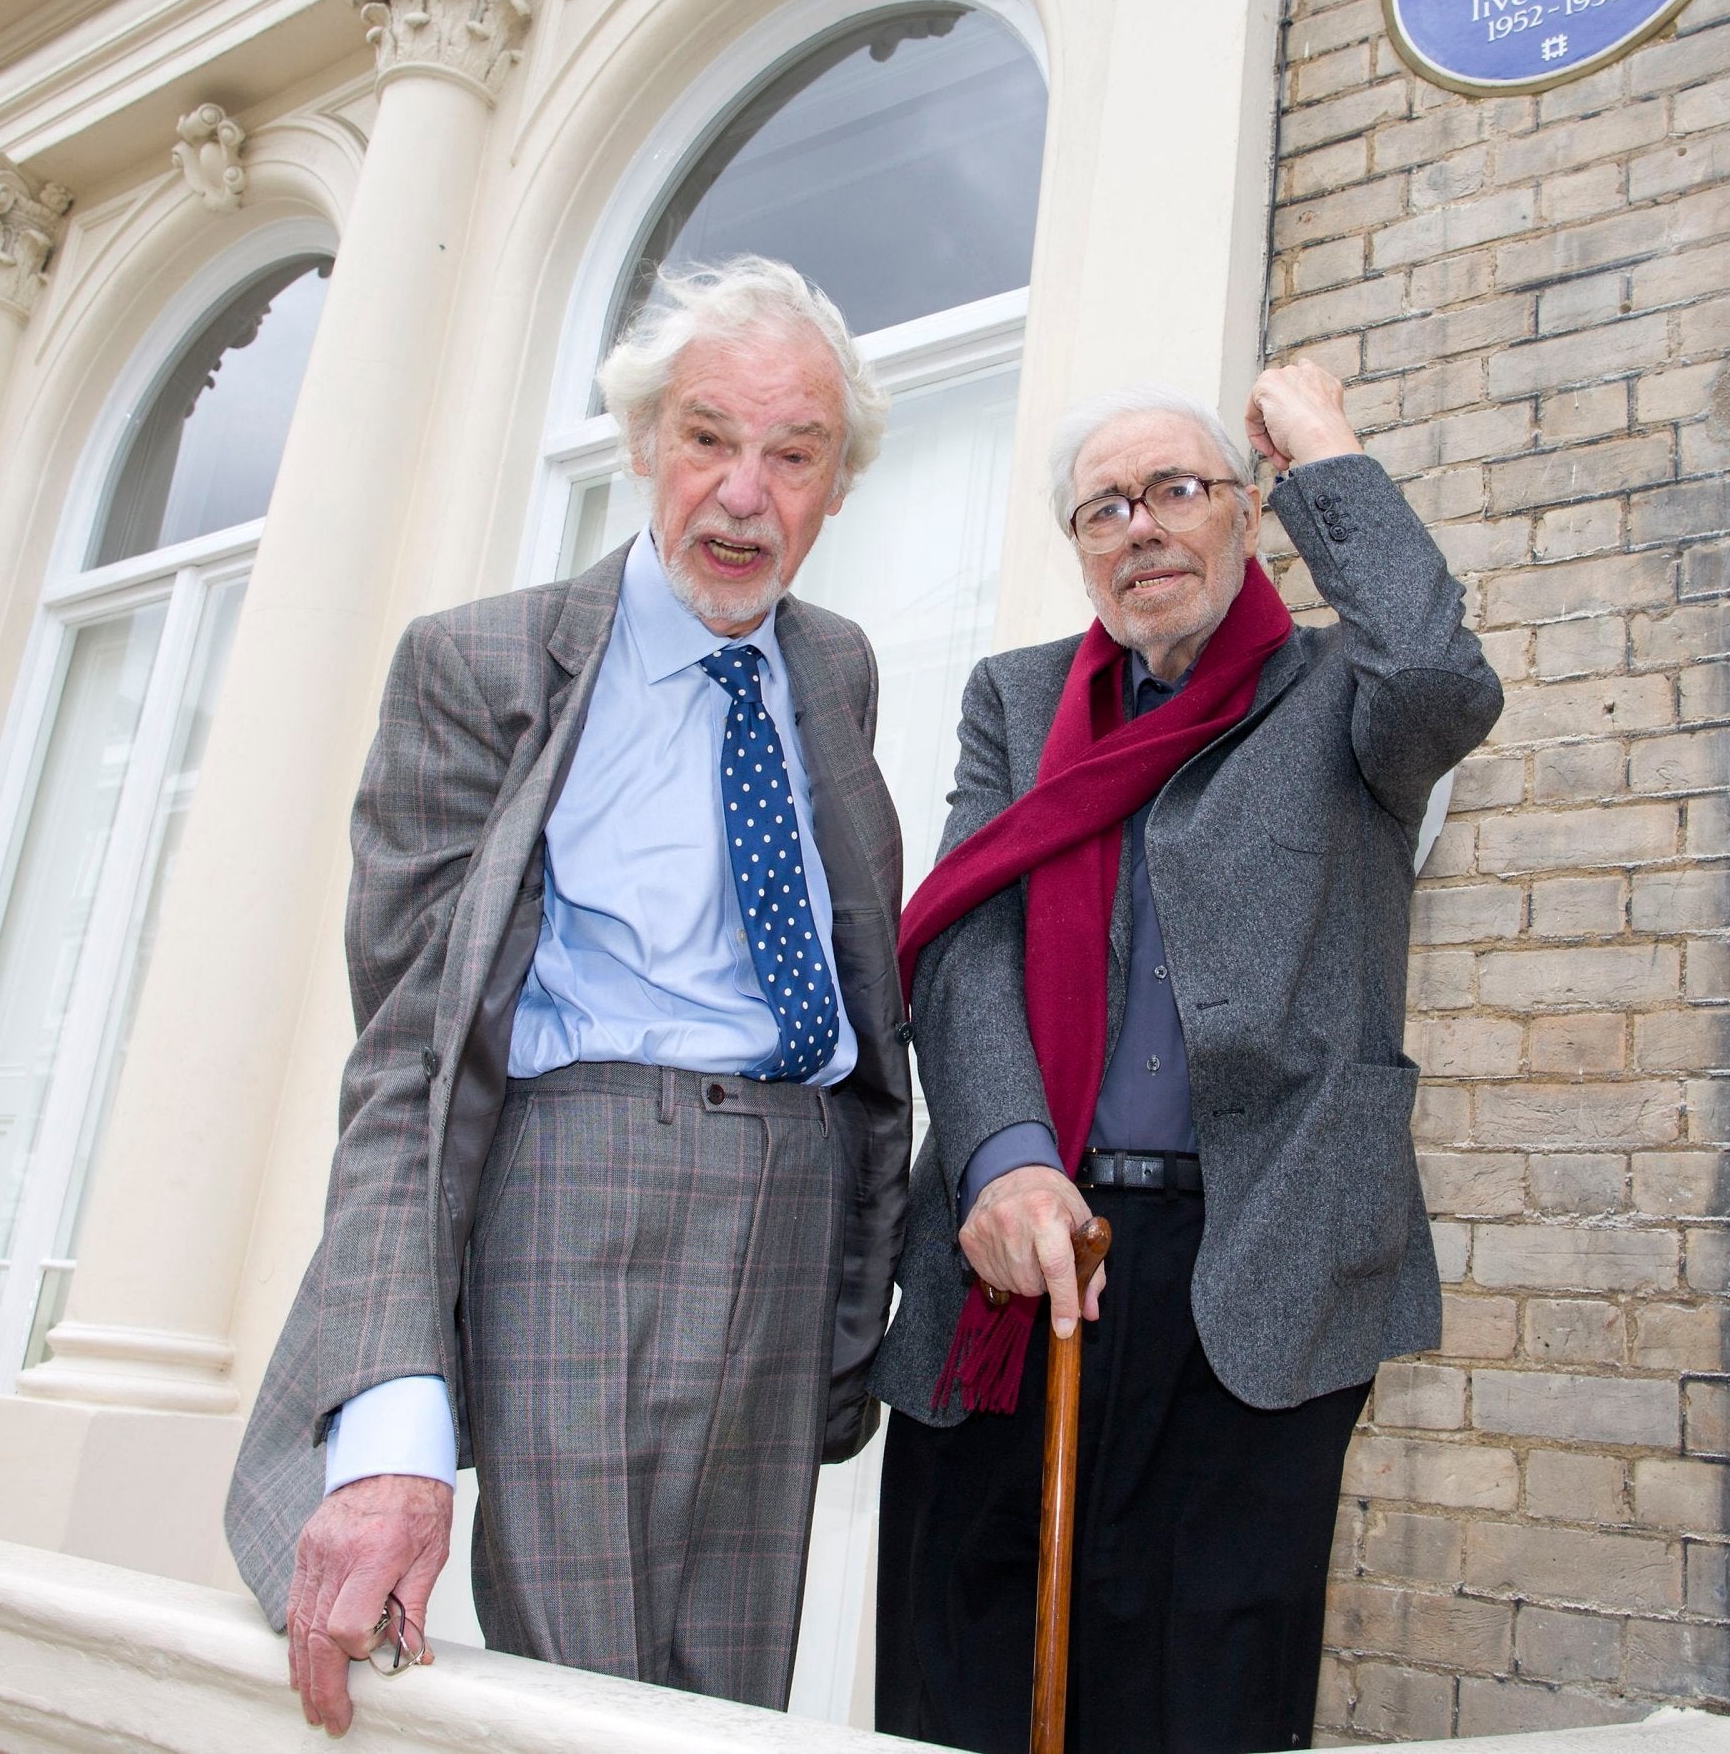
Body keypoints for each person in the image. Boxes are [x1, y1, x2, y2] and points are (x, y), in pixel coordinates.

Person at [225, 256, 912, 1735]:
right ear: (642, 445)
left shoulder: (838, 670)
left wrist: (860, 1273)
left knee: (728, 1697)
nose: (743, 494)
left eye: (793, 454)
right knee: (581, 1698)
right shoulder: (478, 665)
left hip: (788, 1204)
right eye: (709, 438)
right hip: (576, 1182)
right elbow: (409, 1054)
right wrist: (392, 1425)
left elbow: (866, 983)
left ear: (836, 485)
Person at [872, 361, 1504, 1754]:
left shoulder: (1349, 694)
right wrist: (1005, 1155)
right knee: (969, 1664)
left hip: (1261, 1254)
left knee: (1206, 1685)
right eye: (1105, 507)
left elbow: (1448, 680)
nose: (1142, 527)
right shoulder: (1017, 697)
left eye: (1176, 489)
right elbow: (969, 938)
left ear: (1247, 509)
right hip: (1029, 1242)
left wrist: (1330, 452)